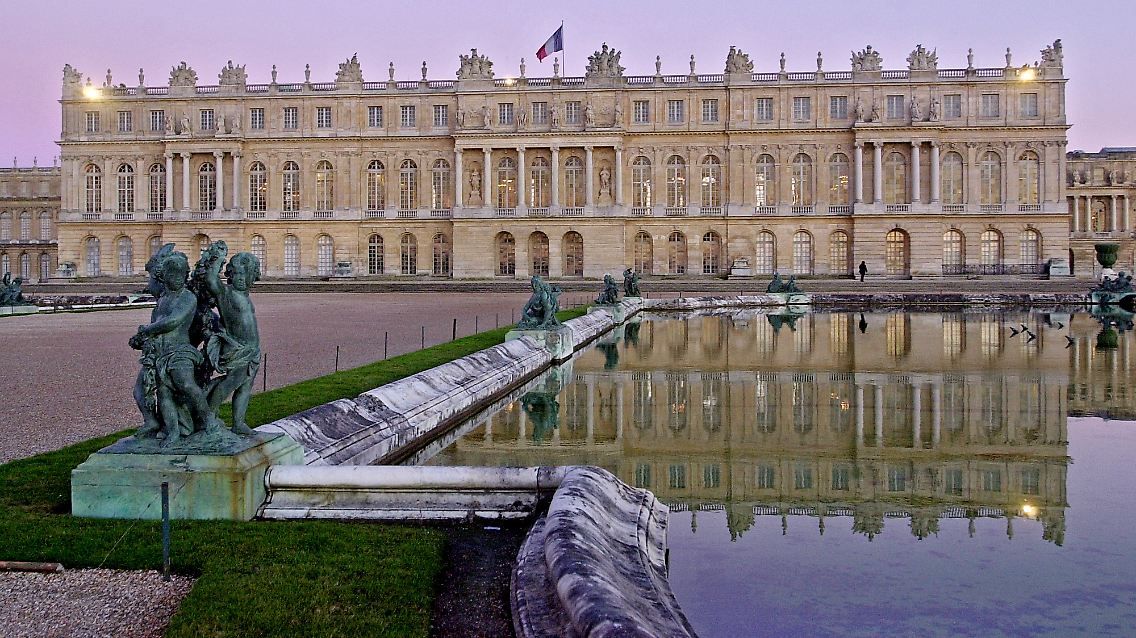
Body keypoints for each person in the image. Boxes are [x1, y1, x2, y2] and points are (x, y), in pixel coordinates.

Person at [200, 242, 262, 434]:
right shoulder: (226, 294)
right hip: (237, 347)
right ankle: (208, 414)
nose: (241, 279)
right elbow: (211, 280)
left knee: (245, 386)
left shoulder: (246, 296)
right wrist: (219, 257)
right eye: (237, 274)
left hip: (252, 348)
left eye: (246, 275)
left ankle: (238, 423)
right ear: (230, 275)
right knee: (232, 382)